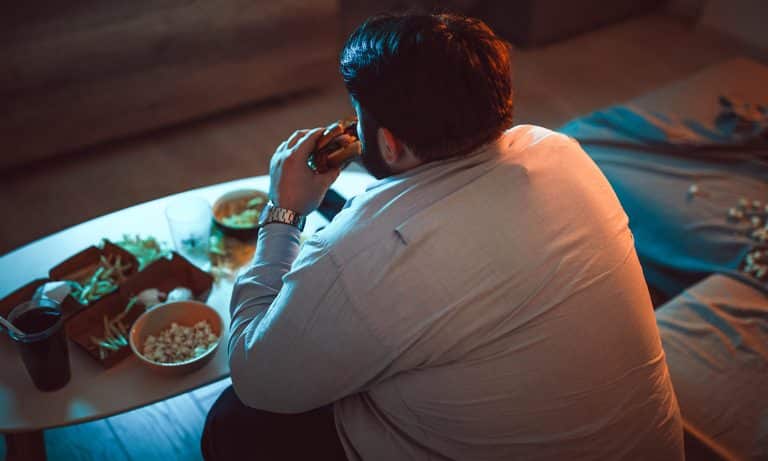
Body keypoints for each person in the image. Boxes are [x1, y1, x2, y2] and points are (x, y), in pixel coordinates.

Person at [201, 12, 684, 461]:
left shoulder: (371, 253)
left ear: (389, 141)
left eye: (360, 113)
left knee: (232, 421)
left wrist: (283, 212)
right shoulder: (560, 151)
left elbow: (258, 377)